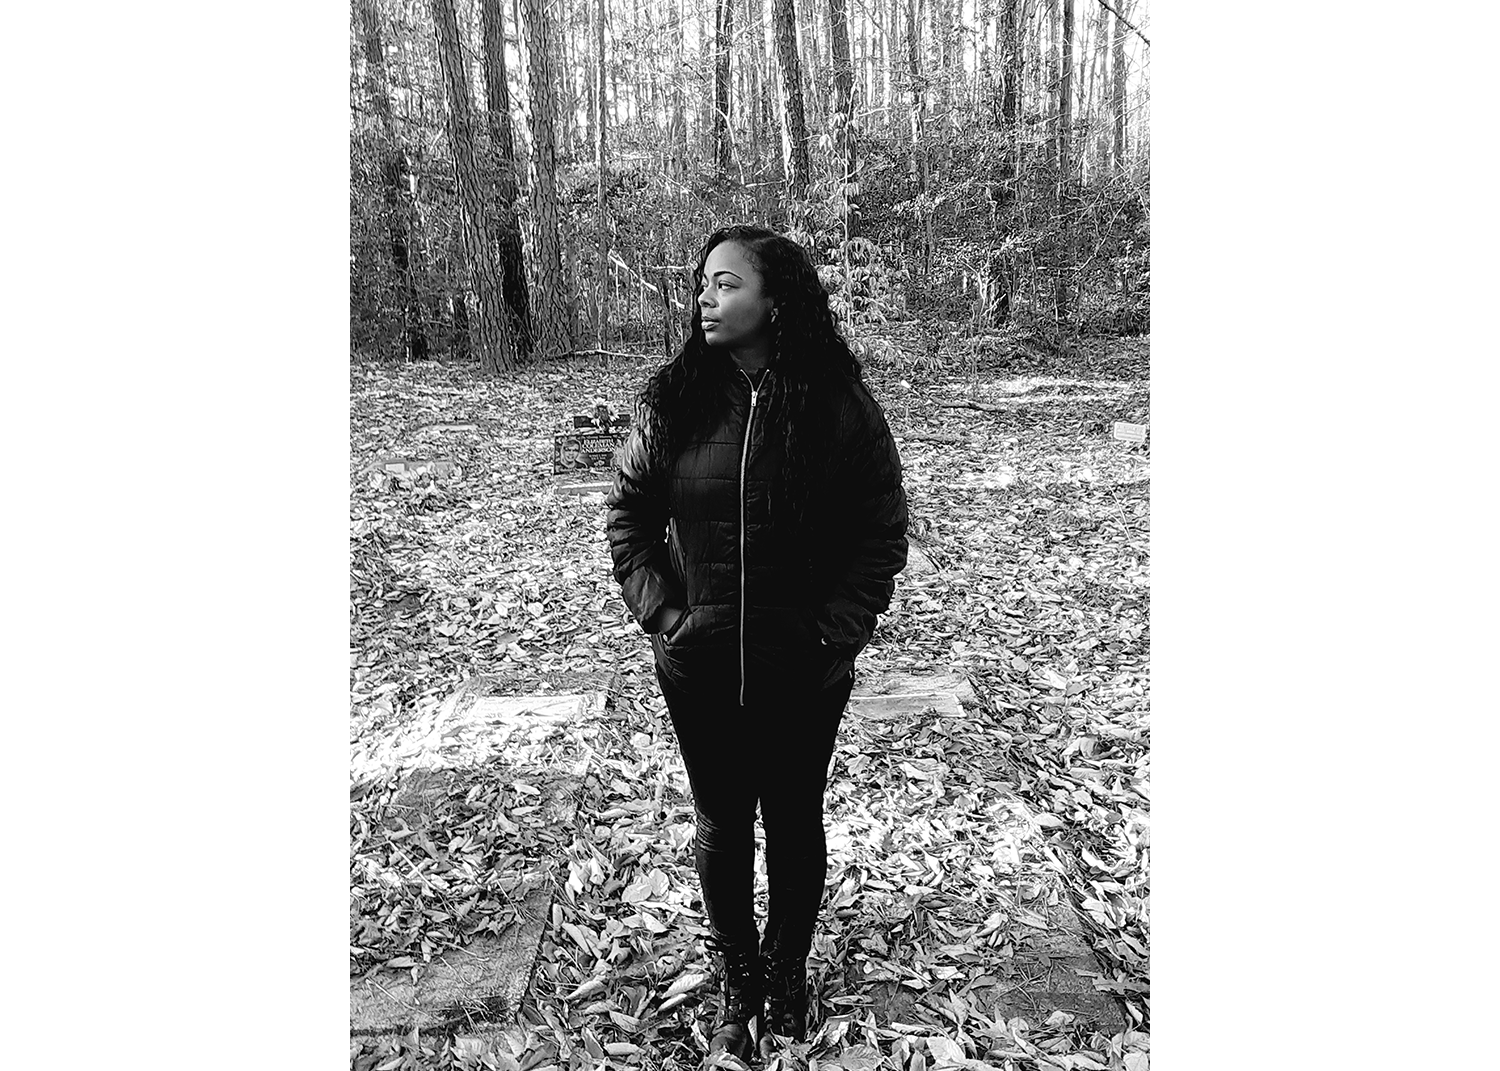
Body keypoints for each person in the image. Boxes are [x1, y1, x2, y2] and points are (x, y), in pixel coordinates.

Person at [605, 225, 908, 1060]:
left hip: (802, 671)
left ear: (775, 300)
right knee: (721, 822)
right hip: (697, 666)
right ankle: (740, 977)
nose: (706, 297)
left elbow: (880, 534)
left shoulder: (836, 405)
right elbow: (628, 520)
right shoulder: (673, 403)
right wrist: (666, 618)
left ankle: (786, 973)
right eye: (703, 283)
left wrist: (831, 635)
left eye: (727, 283)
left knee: (795, 822)